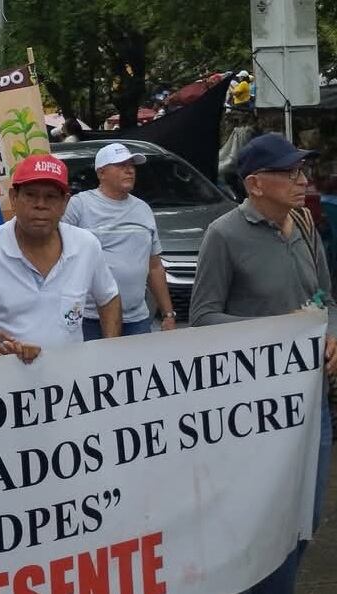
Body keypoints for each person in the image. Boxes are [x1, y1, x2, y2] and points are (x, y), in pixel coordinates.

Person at [190, 133, 335, 594]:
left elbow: (326, 298)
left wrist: (331, 335)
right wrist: (279, 330)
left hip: (314, 401)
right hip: (257, 410)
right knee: (265, 520)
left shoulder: (306, 224)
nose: (302, 179)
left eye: (303, 170)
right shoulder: (224, 235)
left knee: (306, 518)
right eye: (290, 172)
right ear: (255, 183)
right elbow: (204, 317)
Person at [0, 154, 121, 356]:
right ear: (14, 198)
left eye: (51, 197)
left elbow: (109, 298)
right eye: (30, 195)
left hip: (70, 378)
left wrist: (111, 352)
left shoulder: (86, 245)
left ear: (65, 203)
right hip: (3, 380)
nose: (40, 204)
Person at [63, 142, 176, 339]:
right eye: (121, 165)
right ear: (101, 173)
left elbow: (155, 266)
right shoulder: (79, 206)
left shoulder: (143, 210)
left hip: (137, 320)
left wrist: (168, 314)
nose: (129, 171)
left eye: (131, 166)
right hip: (89, 319)